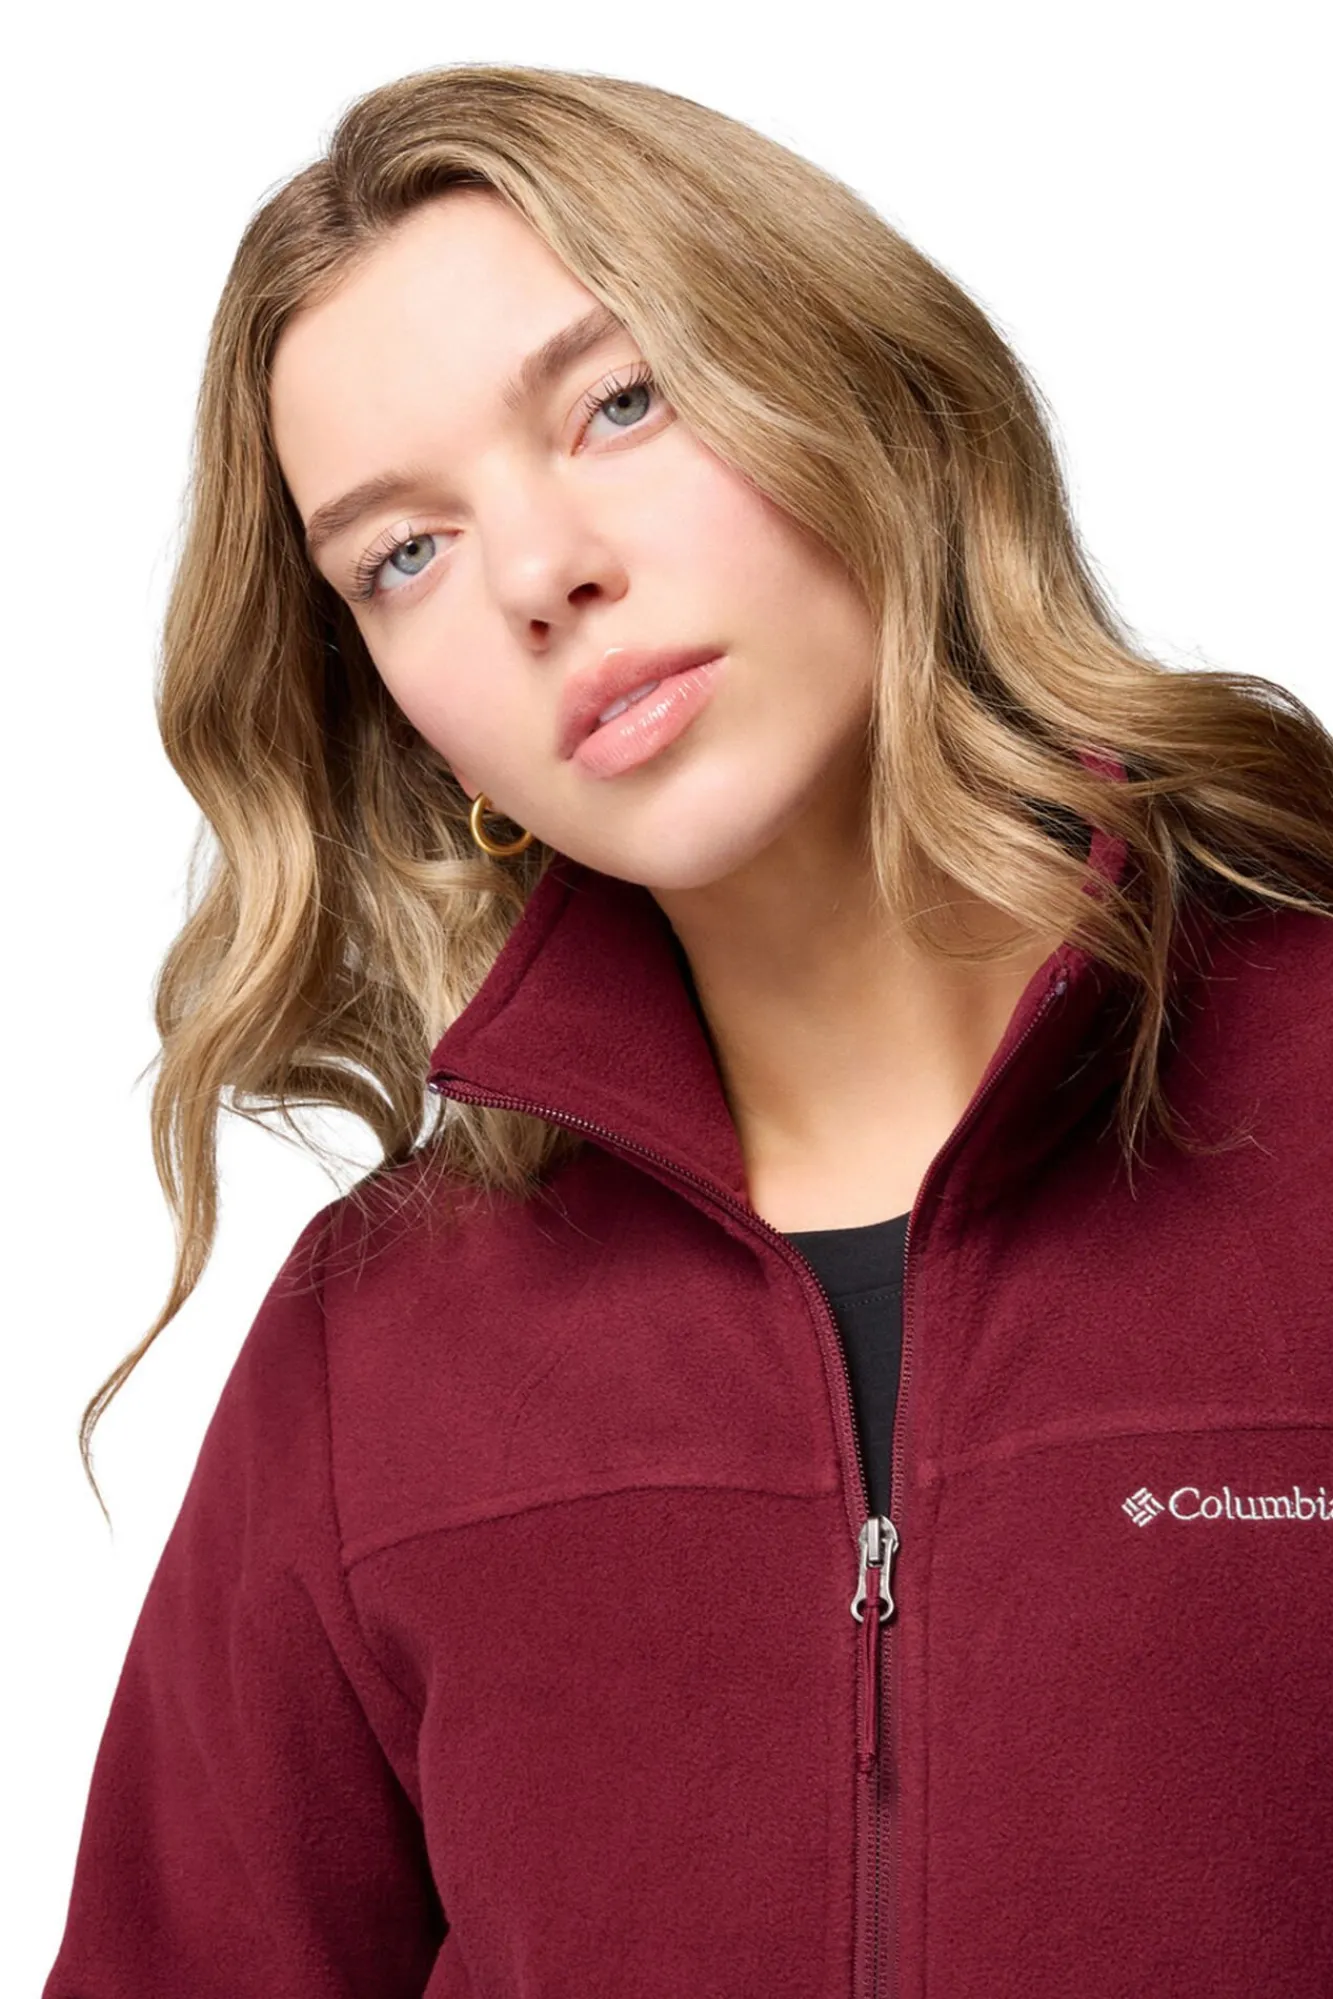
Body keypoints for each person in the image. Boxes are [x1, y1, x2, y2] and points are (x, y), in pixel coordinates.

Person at [43, 61, 1333, 1999]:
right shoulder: (377, 1350)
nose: (539, 575)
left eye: (620, 402)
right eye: (402, 554)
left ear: (860, 391)